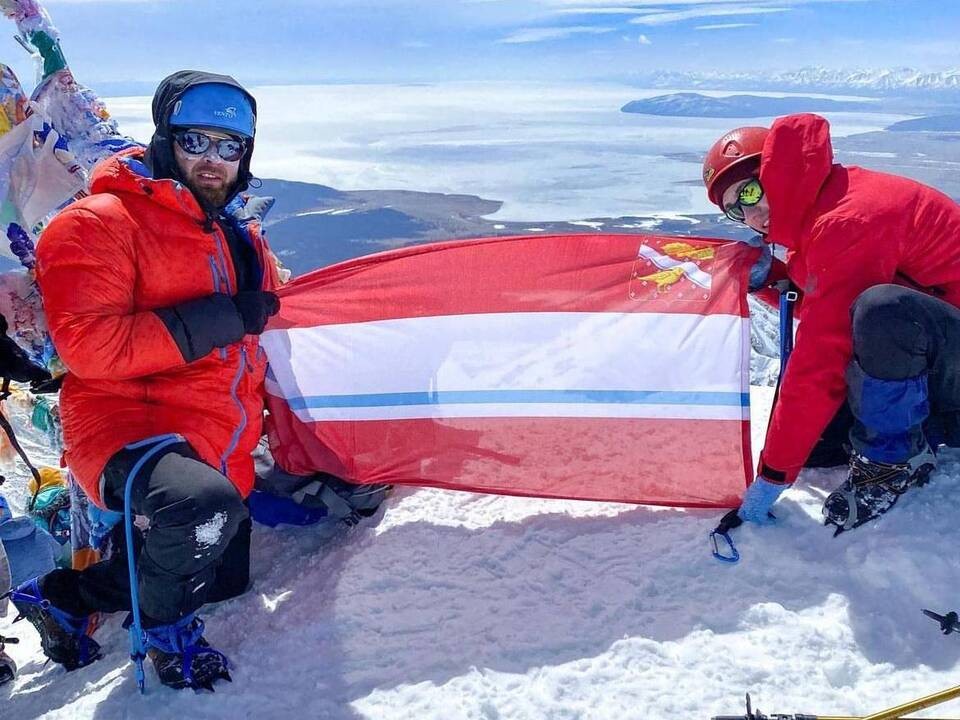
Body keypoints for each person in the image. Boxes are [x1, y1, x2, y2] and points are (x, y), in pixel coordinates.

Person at [6, 70, 283, 690]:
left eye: (230, 146)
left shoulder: (239, 237)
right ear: (165, 138)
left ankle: (63, 598)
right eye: (196, 142)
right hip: (125, 422)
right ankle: (168, 636)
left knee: (220, 568)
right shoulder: (98, 223)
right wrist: (215, 320)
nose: (214, 160)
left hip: (214, 428)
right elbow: (87, 347)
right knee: (198, 511)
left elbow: (269, 320)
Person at [703, 113, 960, 534]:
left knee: (883, 310)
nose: (749, 216)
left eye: (749, 192)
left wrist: (773, 476)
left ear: (776, 171)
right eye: (734, 209)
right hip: (941, 353)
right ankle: (923, 427)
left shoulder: (848, 219)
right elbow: (834, 306)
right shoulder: (825, 208)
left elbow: (824, 353)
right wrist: (773, 279)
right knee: (821, 449)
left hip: (946, 355)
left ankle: (893, 463)